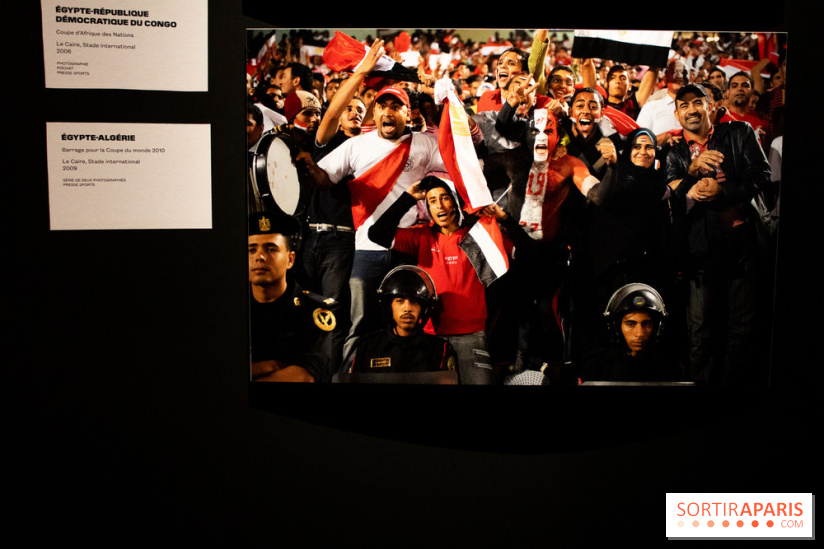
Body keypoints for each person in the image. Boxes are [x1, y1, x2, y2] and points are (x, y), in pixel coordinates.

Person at [302, 85, 465, 371]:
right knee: (359, 324)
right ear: (375, 113)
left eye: (395, 106)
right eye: (382, 106)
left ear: (407, 113)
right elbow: (325, 178)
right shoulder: (356, 145)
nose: (388, 112)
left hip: (407, 247)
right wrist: (308, 165)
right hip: (367, 249)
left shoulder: (423, 144)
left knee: (410, 326)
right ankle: (347, 378)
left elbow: (458, 162)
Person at [665, 83, 771, 387]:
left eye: (697, 102)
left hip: (742, 244)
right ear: (676, 115)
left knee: (743, 328)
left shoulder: (739, 132)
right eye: (684, 106)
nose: (691, 110)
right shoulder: (674, 152)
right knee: (702, 330)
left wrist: (723, 192)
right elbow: (671, 201)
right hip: (701, 250)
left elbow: (761, 174)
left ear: (711, 106)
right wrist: (691, 174)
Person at [296, 39, 383, 371]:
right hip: (309, 239)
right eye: (350, 108)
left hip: (342, 242)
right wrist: (360, 73)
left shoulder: (369, 150)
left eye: (361, 110)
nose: (355, 113)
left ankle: (332, 379)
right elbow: (332, 110)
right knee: (303, 312)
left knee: (332, 315)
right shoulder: (326, 141)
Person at [367, 176, 498, 385]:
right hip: (429, 337)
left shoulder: (477, 235)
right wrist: (408, 198)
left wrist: (505, 219)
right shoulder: (421, 236)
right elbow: (376, 234)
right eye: (432, 201)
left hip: (472, 336)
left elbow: (528, 252)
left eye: (444, 198)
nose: (439, 205)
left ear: (455, 203)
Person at [248, 211, 340, 383]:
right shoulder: (229, 310)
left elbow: (305, 376)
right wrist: (271, 366)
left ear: (290, 259)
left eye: (270, 249)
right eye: (251, 250)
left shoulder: (315, 310)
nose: (259, 257)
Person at [344, 265, 459, 382]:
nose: (407, 308)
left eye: (414, 301)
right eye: (400, 301)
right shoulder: (368, 347)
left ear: (423, 309)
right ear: (390, 307)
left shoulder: (439, 349)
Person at [581, 283, 680, 382]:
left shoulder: (670, 366)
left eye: (646, 324)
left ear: (656, 328)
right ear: (616, 327)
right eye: (631, 324)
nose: (639, 334)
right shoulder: (595, 365)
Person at [637, 58, 689, 145]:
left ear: (689, 78)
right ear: (665, 79)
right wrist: (666, 137)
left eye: (683, 72)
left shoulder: (697, 109)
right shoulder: (650, 107)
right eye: (673, 72)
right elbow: (640, 140)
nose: (679, 76)